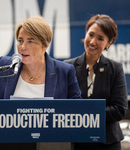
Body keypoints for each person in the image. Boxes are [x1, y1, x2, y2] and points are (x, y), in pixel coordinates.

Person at [0, 15, 82, 150]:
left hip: (48, 145)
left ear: (45, 45)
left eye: (30, 41)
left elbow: (77, 113)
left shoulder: (64, 72)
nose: (23, 46)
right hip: (7, 145)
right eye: (20, 40)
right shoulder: (5, 66)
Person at [65, 14, 128, 150]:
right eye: (91, 34)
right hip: (77, 142)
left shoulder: (115, 69)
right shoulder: (68, 67)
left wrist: (84, 112)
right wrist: (95, 110)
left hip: (108, 143)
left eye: (100, 38)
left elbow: (119, 110)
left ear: (109, 43)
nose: (93, 42)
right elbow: (65, 106)